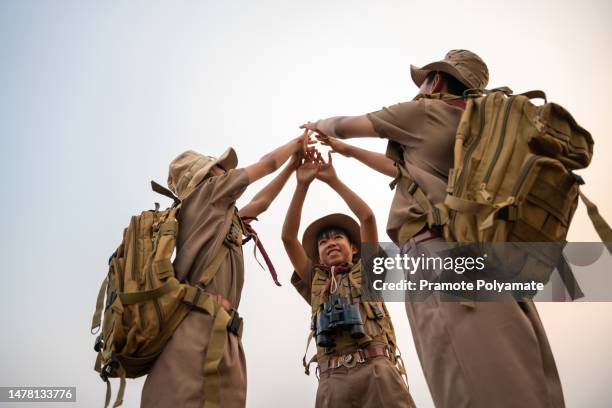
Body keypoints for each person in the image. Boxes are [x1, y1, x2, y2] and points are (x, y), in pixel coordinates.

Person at [301, 50, 565, 408]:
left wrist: (320, 125)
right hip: (494, 264)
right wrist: (346, 153)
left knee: (468, 385)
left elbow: (345, 123)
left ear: (437, 80)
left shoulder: (424, 113)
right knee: (526, 383)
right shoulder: (478, 126)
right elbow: (402, 170)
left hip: (440, 263)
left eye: (424, 80)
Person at [141, 133, 313, 408]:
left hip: (224, 331)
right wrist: (297, 143)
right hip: (196, 328)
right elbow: (267, 164)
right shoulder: (207, 194)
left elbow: (260, 203)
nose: (229, 172)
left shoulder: (217, 216)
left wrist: (293, 166)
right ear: (207, 177)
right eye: (222, 168)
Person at [281, 152, 416, 408]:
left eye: (337, 238)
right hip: (332, 378)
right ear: (318, 253)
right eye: (323, 241)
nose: (330, 243)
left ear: (354, 248)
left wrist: (333, 180)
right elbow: (288, 238)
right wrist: (301, 185)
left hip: (376, 369)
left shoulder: (367, 271)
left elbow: (367, 218)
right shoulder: (315, 280)